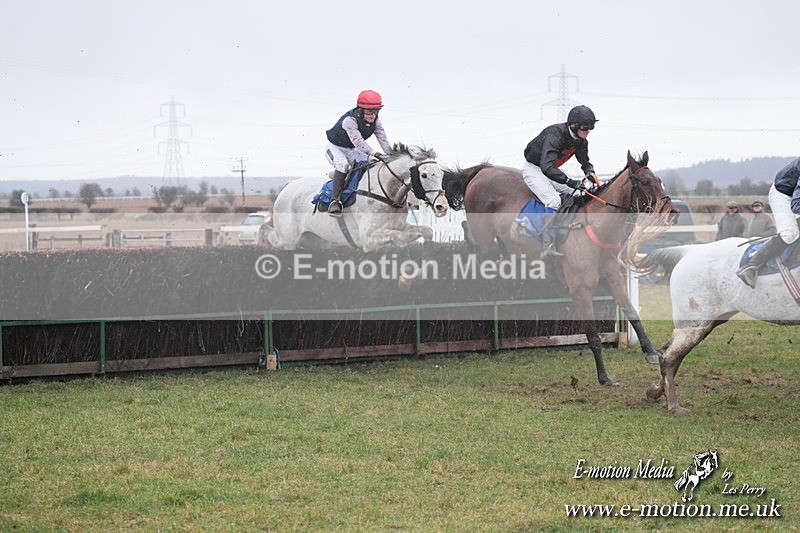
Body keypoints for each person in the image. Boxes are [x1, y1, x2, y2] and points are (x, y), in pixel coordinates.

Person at [520, 105, 599, 258]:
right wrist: (569, 181)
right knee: (553, 200)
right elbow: (546, 166)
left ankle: (568, 228)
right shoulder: (555, 135)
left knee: (578, 192)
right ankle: (547, 242)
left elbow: (584, 161)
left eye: (591, 127)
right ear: (574, 125)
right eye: (585, 127)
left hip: (551, 169)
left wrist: (590, 172)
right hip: (535, 169)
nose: (588, 131)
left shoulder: (581, 141)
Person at [324, 90, 392, 217]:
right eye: (368, 112)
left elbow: (383, 139)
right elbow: (358, 143)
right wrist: (376, 153)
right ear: (360, 110)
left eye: (376, 111)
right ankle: (335, 201)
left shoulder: (376, 121)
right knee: (343, 166)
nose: (372, 115)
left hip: (351, 150)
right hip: (335, 148)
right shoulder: (349, 120)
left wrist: (391, 155)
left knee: (372, 164)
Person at [737, 158, 800, 288]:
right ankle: (751, 266)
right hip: (783, 195)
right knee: (790, 234)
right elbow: (796, 205)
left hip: (794, 196)